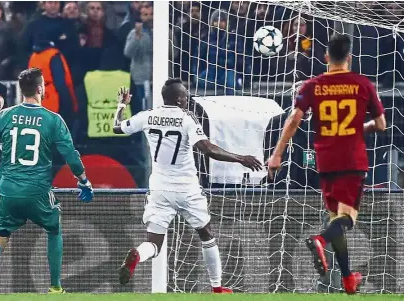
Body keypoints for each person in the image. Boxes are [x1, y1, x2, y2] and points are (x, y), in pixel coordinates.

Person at [113, 79, 262, 293]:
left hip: (159, 189)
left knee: (154, 245)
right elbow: (207, 148)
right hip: (187, 189)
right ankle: (217, 287)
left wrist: (121, 105)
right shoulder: (186, 118)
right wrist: (240, 158)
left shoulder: (147, 116)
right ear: (177, 99)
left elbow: (117, 128)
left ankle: (137, 253)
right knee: (206, 235)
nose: (187, 99)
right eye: (184, 96)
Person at [267, 34, 387, 294]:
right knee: (347, 219)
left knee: (337, 218)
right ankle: (320, 240)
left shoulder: (312, 86)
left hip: (325, 161)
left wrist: (277, 154)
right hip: (352, 160)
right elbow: (381, 125)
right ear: (350, 59)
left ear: (325, 57)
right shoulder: (362, 84)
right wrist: (362, 127)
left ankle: (347, 279)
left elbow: (293, 121)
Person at [0, 68, 93, 294]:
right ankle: (55, 286)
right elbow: (71, 155)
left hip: (7, 190)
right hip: (38, 190)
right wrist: (84, 181)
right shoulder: (53, 120)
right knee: (54, 229)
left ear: (21, 90)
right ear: (41, 89)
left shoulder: (4, 115)